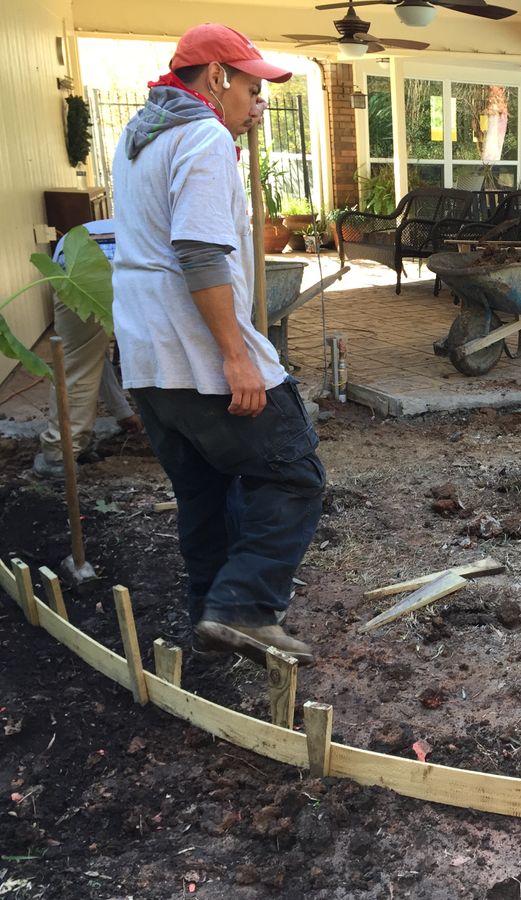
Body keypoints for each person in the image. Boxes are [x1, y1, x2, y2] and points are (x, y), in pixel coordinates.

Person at [112, 24, 324, 666]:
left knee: (206, 491)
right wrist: (238, 355)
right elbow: (199, 251)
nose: (259, 102)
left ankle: (211, 629)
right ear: (215, 79)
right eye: (253, 87)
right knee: (294, 474)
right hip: (195, 349)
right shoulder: (202, 136)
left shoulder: (139, 133)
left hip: (146, 355)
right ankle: (244, 607)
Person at [33, 220, 142, 481]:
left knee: (80, 358)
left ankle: (70, 444)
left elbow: (93, 356)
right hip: (113, 261)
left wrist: (123, 413)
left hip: (74, 257)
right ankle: (61, 452)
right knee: (82, 360)